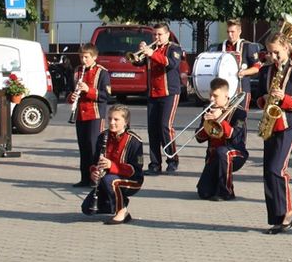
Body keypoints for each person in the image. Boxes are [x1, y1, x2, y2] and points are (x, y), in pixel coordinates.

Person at [256, 32, 292, 234]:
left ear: (286, 48)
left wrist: (284, 98)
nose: (273, 57)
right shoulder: (266, 71)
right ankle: (276, 216)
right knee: (268, 172)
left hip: (289, 124)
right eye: (269, 53)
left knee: (278, 169)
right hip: (271, 123)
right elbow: (258, 98)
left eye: (276, 52)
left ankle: (288, 212)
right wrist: (265, 98)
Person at [131, 23, 184, 175]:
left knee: (165, 126)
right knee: (153, 129)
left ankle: (172, 160)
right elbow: (138, 62)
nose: (157, 37)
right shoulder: (151, 49)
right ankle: (155, 164)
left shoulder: (174, 48)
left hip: (169, 92)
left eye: (160, 34)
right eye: (154, 35)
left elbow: (171, 63)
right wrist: (140, 53)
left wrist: (151, 53)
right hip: (153, 93)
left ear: (167, 35)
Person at [82, 104, 144, 224]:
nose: (111, 122)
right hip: (107, 179)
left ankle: (121, 211)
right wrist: (94, 172)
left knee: (110, 180)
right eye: (109, 118)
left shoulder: (134, 140)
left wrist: (112, 166)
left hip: (132, 180)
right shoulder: (102, 136)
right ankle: (119, 201)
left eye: (116, 119)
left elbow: (135, 169)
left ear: (125, 122)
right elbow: (94, 162)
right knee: (87, 209)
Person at [195, 79, 249, 201]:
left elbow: (234, 135)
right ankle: (218, 185)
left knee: (223, 152)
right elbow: (199, 138)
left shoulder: (239, 112)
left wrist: (220, 119)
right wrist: (206, 124)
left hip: (236, 152)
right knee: (204, 192)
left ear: (226, 96)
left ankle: (227, 192)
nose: (211, 99)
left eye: (215, 96)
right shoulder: (208, 109)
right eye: (210, 95)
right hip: (213, 156)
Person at [69, 43, 111, 188]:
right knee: (83, 147)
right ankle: (84, 178)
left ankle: (96, 179)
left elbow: (107, 95)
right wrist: (72, 97)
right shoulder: (77, 71)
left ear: (94, 57)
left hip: (95, 114)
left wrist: (89, 90)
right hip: (80, 114)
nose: (83, 60)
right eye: (81, 57)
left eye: (86, 57)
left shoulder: (102, 72)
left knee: (94, 147)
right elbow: (70, 91)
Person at [224, 19, 263, 96]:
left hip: (242, 89)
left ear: (239, 32)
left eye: (232, 32)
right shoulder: (221, 47)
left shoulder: (248, 46)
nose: (230, 35)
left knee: (240, 108)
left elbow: (257, 67)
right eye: (228, 32)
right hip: (224, 89)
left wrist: (244, 72)